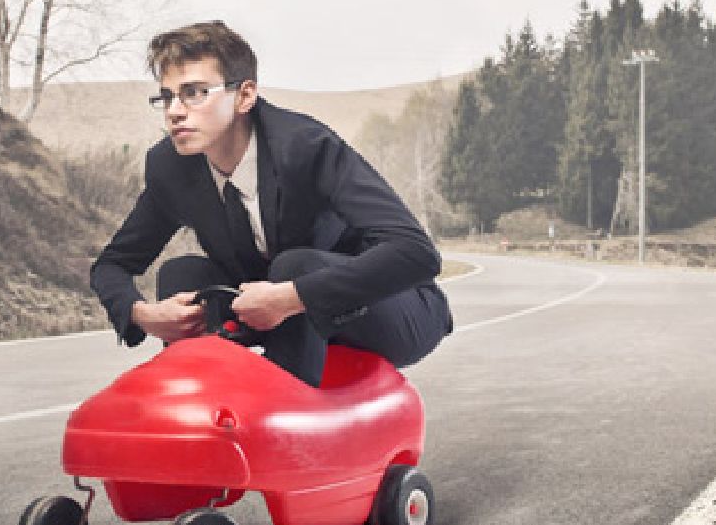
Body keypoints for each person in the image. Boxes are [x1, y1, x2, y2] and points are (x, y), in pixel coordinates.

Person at [89, 21, 452, 387]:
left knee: (295, 264)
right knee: (182, 274)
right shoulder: (172, 167)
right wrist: (142, 314)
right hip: (263, 310)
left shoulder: (304, 147)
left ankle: (292, 420)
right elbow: (112, 265)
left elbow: (416, 253)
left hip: (384, 305)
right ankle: (202, 410)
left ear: (245, 96)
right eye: (167, 97)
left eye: (195, 93)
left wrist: (293, 297)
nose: (174, 111)